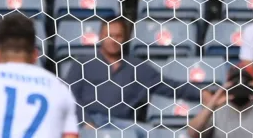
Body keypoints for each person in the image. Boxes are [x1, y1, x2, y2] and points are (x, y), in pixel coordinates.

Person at [60, 17, 202, 128]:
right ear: (101, 37)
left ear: (126, 38)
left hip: (122, 125)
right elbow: (69, 97)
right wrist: (85, 122)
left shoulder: (138, 68)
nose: (114, 40)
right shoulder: (82, 64)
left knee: (149, 135)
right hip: (89, 122)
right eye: (109, 35)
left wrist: (202, 94)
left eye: (118, 36)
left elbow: (171, 87)